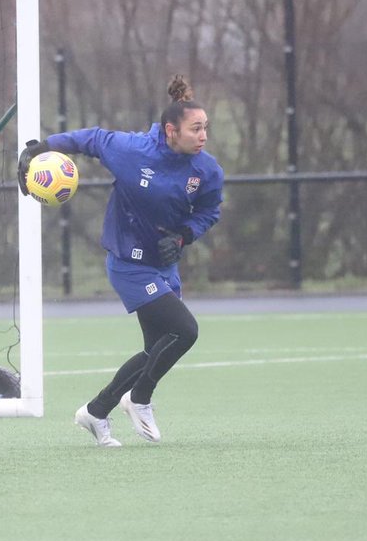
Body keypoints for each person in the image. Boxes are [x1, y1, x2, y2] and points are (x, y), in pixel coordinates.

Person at [18, 75, 224, 446]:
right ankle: (139, 399)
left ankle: (96, 412)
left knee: (156, 347)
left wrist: (183, 236)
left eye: (206, 128)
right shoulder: (133, 151)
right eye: (196, 129)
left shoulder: (206, 170)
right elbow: (91, 139)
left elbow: (209, 212)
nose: (204, 136)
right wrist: (42, 148)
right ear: (171, 131)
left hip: (164, 265)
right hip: (129, 263)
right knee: (185, 331)